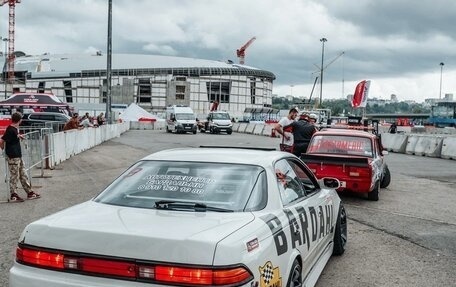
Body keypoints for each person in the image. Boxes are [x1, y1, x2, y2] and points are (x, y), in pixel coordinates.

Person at [0, 112, 40, 202]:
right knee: (15, 176)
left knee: (23, 174)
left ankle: (29, 192)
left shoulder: (14, 129)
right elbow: (1, 141)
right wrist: (4, 151)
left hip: (18, 156)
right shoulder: (10, 129)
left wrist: (19, 136)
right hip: (13, 156)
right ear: (20, 120)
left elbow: (12, 137)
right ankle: (13, 194)